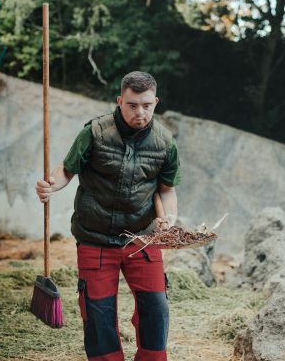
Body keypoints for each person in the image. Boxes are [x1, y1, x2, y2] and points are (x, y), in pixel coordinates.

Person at [35, 71, 181, 361]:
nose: (140, 112)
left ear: (156, 102)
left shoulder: (166, 143)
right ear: (120, 101)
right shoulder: (94, 132)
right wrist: (51, 186)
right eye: (132, 105)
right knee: (98, 312)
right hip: (95, 238)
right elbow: (66, 170)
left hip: (144, 237)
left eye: (147, 105)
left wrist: (170, 217)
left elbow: (166, 190)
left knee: (156, 306)